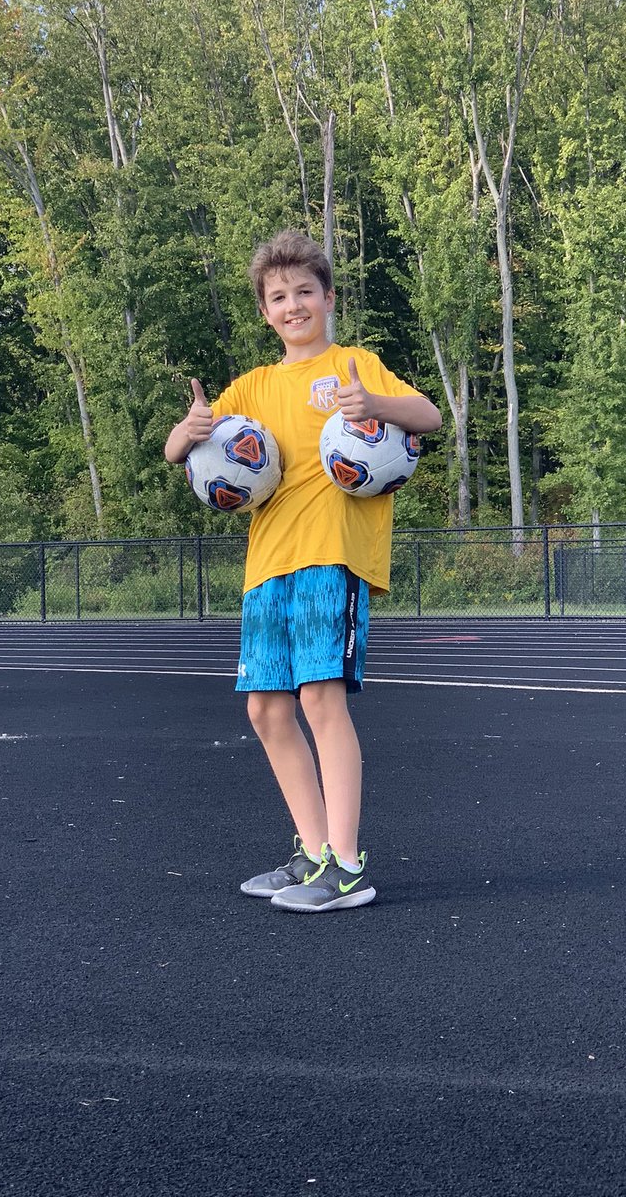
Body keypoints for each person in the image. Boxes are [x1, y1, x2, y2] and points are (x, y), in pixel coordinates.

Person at [165, 230, 441, 912]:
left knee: (320, 699)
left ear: (327, 298)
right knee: (265, 708)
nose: (293, 306)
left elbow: (429, 415)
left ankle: (346, 867)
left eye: (304, 293)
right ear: (265, 311)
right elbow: (177, 451)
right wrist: (194, 425)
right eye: (279, 297)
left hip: (331, 554)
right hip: (268, 564)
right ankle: (312, 852)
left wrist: (373, 406)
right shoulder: (252, 387)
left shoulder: (355, 364)